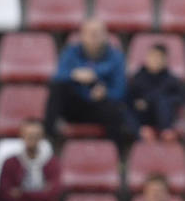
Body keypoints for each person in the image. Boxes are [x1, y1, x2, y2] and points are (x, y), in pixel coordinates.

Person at [44, 18, 133, 154]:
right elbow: (57, 77)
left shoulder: (116, 56)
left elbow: (121, 90)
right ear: (82, 35)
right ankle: (48, 142)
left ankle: (116, 158)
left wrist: (105, 93)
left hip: (100, 107)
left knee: (117, 110)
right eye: (90, 33)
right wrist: (74, 75)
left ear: (105, 36)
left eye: (98, 33)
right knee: (57, 88)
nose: (94, 37)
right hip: (75, 107)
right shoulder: (71, 52)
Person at [128, 42, 184, 142]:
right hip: (143, 116)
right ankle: (141, 131)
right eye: (152, 56)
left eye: (159, 57)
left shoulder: (172, 80)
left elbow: (181, 98)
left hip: (164, 116)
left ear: (165, 60)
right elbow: (130, 98)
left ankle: (166, 132)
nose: (155, 60)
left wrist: (152, 100)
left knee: (163, 100)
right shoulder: (137, 78)